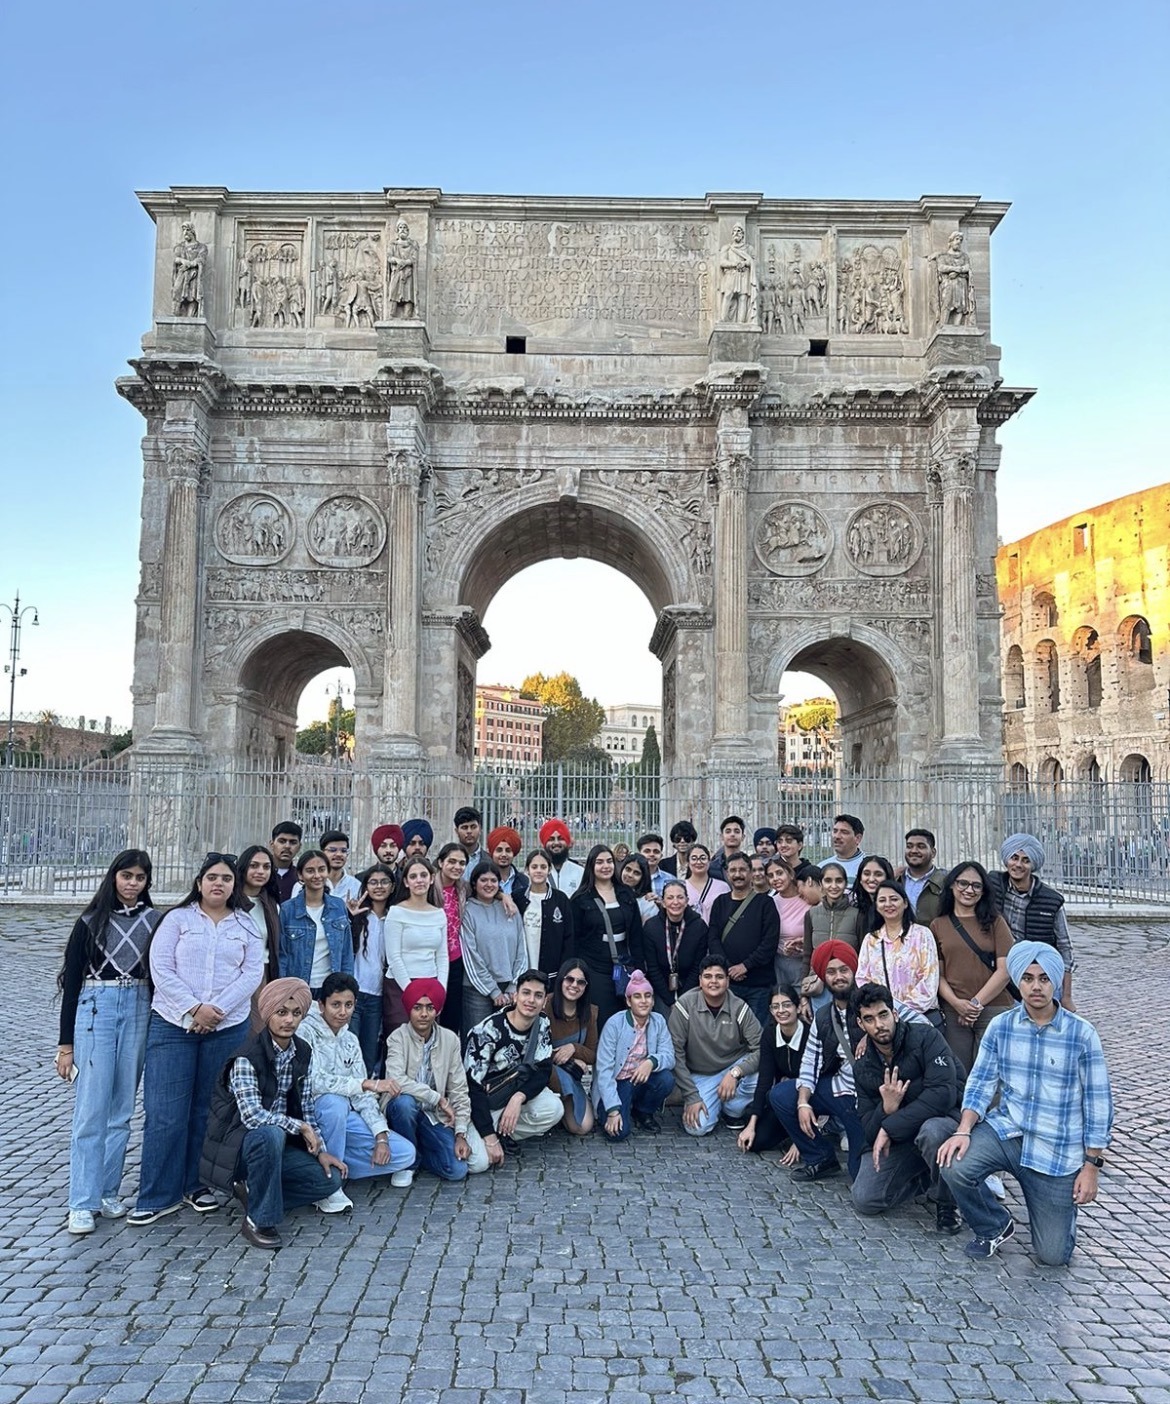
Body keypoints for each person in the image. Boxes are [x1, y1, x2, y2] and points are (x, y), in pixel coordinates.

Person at [938, 942, 1113, 1264]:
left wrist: (1091, 1166)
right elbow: (980, 1082)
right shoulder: (1001, 1026)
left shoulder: (1082, 1034)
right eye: (1028, 978)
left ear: (1055, 982)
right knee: (954, 1163)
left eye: (1044, 979)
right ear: (1018, 982)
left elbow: (1098, 1102)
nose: (1036, 987)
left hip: (1055, 1150)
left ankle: (1059, 1212)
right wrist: (963, 1130)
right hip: (1008, 1132)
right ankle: (993, 1225)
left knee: (1053, 1256)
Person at [129, 853, 264, 1225]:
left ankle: (196, 1184)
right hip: (174, 1024)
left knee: (208, 1110)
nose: (219, 883)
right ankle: (157, 1194)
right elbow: (160, 967)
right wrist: (193, 1008)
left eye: (226, 878)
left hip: (226, 1026)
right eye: (212, 877)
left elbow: (251, 973)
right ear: (199, 882)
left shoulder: (246, 925)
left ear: (235, 886)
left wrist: (215, 1010)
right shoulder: (177, 919)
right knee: (165, 1113)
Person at [198, 978, 347, 1250]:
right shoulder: (246, 1057)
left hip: (277, 1148)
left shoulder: (302, 1051)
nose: (289, 1020)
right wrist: (299, 1127)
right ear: (268, 1013)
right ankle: (258, 1220)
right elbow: (252, 1117)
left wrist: (321, 1151)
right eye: (281, 1012)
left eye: (296, 1013)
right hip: (239, 1149)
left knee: (329, 1181)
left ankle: (255, 1193)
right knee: (271, 1133)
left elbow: (306, 1108)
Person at [56, 850, 161, 1235]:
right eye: (126, 876)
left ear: (147, 882)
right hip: (96, 1007)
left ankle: (107, 1191)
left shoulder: (154, 921)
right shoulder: (90, 921)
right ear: (114, 876)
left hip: (138, 1006)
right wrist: (65, 1044)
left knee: (122, 1109)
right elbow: (71, 985)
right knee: (91, 1109)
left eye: (139, 878)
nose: (132, 883)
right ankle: (81, 1201)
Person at [850, 982, 964, 1234]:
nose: (879, 1025)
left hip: (943, 1122)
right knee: (865, 1199)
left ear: (895, 1013)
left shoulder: (926, 1037)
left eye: (883, 1015)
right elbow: (868, 1129)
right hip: (903, 1139)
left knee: (932, 1132)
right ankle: (929, 1176)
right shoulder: (863, 1067)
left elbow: (944, 1094)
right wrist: (886, 1109)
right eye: (869, 1019)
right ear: (861, 1024)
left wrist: (889, 1126)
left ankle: (948, 1202)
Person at [300, 973, 415, 1188]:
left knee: (405, 1153)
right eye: (336, 1004)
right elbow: (312, 1081)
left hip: (344, 1118)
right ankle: (329, 1185)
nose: (343, 1012)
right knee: (334, 1102)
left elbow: (364, 1096)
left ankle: (334, 1167)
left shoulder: (350, 1040)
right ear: (322, 1005)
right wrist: (364, 1084)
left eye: (349, 1005)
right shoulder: (305, 1031)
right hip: (313, 1115)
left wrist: (381, 1136)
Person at [771, 941, 868, 1183]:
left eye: (844, 970)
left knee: (861, 1179)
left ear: (854, 970)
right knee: (782, 1095)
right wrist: (803, 1102)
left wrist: (872, 1032)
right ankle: (820, 1158)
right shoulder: (823, 1015)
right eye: (831, 972)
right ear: (824, 977)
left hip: (869, 1099)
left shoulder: (874, 1004)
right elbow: (810, 1061)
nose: (838, 977)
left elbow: (915, 1025)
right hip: (839, 1090)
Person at [383, 979, 490, 1179]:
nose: (424, 1014)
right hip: (403, 1112)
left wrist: (460, 1133)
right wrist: (437, 1098)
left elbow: (459, 1089)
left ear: (437, 1010)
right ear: (409, 1010)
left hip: (434, 1116)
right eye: (417, 1008)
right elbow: (395, 1081)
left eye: (430, 1008)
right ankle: (408, 1164)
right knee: (404, 1103)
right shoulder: (397, 1037)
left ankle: (418, 1151)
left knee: (457, 1170)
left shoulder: (450, 1040)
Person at [464, 969, 564, 1162]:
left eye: (538, 995)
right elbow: (472, 1088)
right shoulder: (486, 1032)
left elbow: (543, 1070)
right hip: (484, 1103)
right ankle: (491, 1134)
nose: (531, 1000)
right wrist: (489, 1137)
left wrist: (518, 1098)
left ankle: (505, 1131)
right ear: (515, 996)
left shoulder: (542, 1023)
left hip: (513, 1093)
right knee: (478, 1163)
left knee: (554, 1109)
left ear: (544, 1002)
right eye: (526, 993)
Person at [931, 861, 1014, 1069]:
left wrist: (975, 1004)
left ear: (983, 891)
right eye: (963, 883)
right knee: (959, 1071)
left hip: (993, 1006)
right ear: (952, 885)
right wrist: (957, 1004)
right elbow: (938, 975)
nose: (969, 890)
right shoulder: (938, 925)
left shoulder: (996, 922)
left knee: (990, 1072)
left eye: (976, 885)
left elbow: (1005, 971)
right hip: (954, 1010)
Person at [668, 956, 761, 1137]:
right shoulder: (684, 1006)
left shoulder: (739, 1007)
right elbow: (675, 1053)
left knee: (761, 1075)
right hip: (701, 1074)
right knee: (697, 1128)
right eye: (708, 976)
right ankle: (713, 1100)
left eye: (719, 977)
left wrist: (736, 1072)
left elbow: (761, 1048)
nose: (713, 981)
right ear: (700, 980)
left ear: (728, 981)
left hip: (734, 1067)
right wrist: (692, 1096)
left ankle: (732, 1109)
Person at [987, 834, 1076, 1009]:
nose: (1018, 865)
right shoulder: (991, 887)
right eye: (1014, 858)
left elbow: (1065, 948)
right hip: (1002, 974)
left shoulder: (1051, 901)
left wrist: (1067, 996)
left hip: (1039, 974)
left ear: (1034, 864)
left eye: (1026, 860)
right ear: (1006, 860)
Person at [569, 844, 645, 1028]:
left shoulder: (626, 893)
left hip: (624, 965)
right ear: (591, 866)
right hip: (594, 966)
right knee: (601, 1018)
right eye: (600, 862)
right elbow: (573, 939)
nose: (605, 866)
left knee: (627, 1018)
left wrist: (640, 969)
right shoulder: (581, 899)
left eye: (609, 861)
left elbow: (636, 935)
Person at [594, 970, 675, 1139]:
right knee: (618, 1134)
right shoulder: (614, 1024)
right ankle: (614, 1108)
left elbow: (669, 1056)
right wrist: (613, 1111)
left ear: (653, 1000)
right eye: (637, 996)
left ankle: (642, 1111)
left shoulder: (658, 1021)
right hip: (618, 1083)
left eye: (648, 996)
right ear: (628, 1001)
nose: (644, 1001)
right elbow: (604, 1070)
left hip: (641, 1079)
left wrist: (651, 1062)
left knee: (666, 1079)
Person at [736, 984, 807, 1163]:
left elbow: (816, 1081)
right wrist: (751, 1125)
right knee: (755, 1140)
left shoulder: (810, 1034)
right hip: (784, 1099)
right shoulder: (769, 1034)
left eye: (787, 1005)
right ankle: (787, 1129)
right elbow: (765, 1080)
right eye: (776, 1006)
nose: (781, 1011)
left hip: (810, 1099)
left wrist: (801, 1141)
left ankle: (806, 1133)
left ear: (798, 1007)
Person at [708, 853, 779, 1028]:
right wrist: (728, 967)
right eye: (733, 870)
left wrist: (745, 966)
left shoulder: (766, 903)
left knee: (757, 1034)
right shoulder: (720, 903)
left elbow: (769, 942)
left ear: (751, 872)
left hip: (759, 985)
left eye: (742, 869)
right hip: (729, 983)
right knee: (728, 1033)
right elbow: (713, 938)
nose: (738, 874)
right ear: (727, 873)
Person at [856, 880, 941, 1021]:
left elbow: (929, 979)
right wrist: (883, 1010)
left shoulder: (922, 934)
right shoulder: (871, 940)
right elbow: (862, 979)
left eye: (894, 899)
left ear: (905, 903)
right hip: (882, 1020)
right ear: (876, 906)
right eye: (882, 900)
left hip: (920, 1017)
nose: (888, 904)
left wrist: (900, 1011)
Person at [460, 862, 527, 1038]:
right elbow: (470, 955)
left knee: (504, 1041)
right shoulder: (468, 911)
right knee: (477, 1040)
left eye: (493, 880)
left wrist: (514, 985)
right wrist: (493, 990)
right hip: (477, 990)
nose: (489, 884)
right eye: (483, 880)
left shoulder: (510, 907)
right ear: (474, 883)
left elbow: (522, 949)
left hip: (509, 987)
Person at [384, 857, 447, 1037]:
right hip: (400, 986)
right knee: (400, 1041)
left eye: (423, 875)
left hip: (431, 985)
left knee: (428, 1042)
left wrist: (440, 991)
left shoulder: (439, 914)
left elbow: (442, 956)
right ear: (406, 882)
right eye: (413, 876)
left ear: (432, 878)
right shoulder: (396, 912)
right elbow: (394, 957)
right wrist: (413, 993)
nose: (419, 880)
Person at [278, 850, 353, 994]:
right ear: (300, 875)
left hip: (332, 987)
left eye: (321, 869)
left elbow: (346, 953)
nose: (317, 875)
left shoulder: (338, 906)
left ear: (328, 872)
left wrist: (347, 987)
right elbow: (282, 955)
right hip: (298, 987)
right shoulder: (288, 910)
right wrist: (285, 991)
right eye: (310, 871)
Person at [346, 863, 395, 1073]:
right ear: (365, 886)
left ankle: (366, 1089)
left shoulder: (395, 917)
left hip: (378, 996)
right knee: (349, 1049)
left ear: (393, 886)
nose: (379, 887)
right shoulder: (358, 915)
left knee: (369, 1051)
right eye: (373, 882)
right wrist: (350, 917)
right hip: (354, 993)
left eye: (384, 882)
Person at [544, 960, 599, 1135]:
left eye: (580, 982)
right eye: (569, 979)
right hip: (545, 1068)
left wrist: (574, 1049)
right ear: (561, 979)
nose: (574, 985)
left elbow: (592, 1054)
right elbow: (535, 1049)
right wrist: (569, 1059)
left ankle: (563, 1109)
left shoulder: (590, 1012)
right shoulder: (545, 1005)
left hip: (569, 1072)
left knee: (582, 1127)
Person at [642, 878, 711, 1010]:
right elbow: (652, 967)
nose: (675, 902)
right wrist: (669, 1001)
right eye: (670, 898)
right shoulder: (651, 927)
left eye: (680, 897)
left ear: (687, 901)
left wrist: (683, 998)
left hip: (691, 987)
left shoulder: (699, 926)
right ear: (663, 902)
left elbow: (698, 966)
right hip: (661, 988)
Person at [517, 847, 574, 978]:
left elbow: (569, 937)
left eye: (543, 867)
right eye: (534, 867)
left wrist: (563, 972)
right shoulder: (518, 897)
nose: (538, 870)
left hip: (551, 974)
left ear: (549, 870)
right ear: (527, 870)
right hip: (523, 972)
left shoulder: (560, 899)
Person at [432, 842, 469, 1037]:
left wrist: (503, 897)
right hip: (431, 960)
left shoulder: (463, 888)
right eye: (452, 861)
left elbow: (487, 889)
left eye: (462, 863)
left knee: (451, 1017)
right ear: (440, 862)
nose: (457, 867)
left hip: (455, 960)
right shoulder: (429, 887)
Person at [235, 846, 281, 996]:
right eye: (254, 866)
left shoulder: (272, 905)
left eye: (266, 867)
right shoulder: (230, 903)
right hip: (235, 975)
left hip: (264, 974)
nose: (261, 871)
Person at [767, 857, 810, 990]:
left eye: (779, 873)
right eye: (770, 876)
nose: (775, 879)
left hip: (804, 963)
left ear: (790, 874)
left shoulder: (807, 899)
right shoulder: (770, 902)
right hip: (779, 964)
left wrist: (802, 943)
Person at [901, 829, 944, 924]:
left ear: (933, 852)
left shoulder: (946, 881)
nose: (914, 851)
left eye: (921, 846)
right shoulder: (896, 880)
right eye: (909, 846)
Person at [683, 842, 730, 924]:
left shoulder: (723, 887)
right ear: (688, 862)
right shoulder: (680, 886)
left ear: (709, 861)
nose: (698, 862)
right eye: (694, 858)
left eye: (703, 858)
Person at [850, 855, 896, 940]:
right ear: (860, 878)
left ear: (887, 878)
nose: (871, 879)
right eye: (866, 874)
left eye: (878, 874)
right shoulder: (854, 907)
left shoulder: (895, 908)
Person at [539, 820, 584, 896]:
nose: (556, 843)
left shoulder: (580, 872)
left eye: (561, 838)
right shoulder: (537, 872)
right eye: (551, 839)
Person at [318, 830, 361, 904]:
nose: (339, 854)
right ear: (322, 853)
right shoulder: (313, 881)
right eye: (333, 850)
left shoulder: (356, 885)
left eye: (343, 851)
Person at [487, 826, 528, 902]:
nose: (504, 854)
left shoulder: (523, 881)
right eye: (499, 850)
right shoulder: (483, 880)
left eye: (508, 850)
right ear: (492, 852)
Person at [619, 852, 660, 924]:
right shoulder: (610, 893)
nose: (630, 875)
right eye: (628, 869)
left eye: (636, 873)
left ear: (643, 878)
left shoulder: (647, 903)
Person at [270, 822, 303, 903]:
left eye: (293, 842)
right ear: (272, 844)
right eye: (282, 841)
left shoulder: (302, 877)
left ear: (299, 847)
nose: (287, 846)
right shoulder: (260, 874)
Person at [829, 814, 866, 883]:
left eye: (844, 832)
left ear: (858, 838)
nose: (837, 836)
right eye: (835, 831)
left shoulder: (868, 867)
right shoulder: (822, 866)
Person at [709, 815, 747, 882]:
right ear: (721, 837)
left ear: (743, 837)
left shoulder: (748, 864)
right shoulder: (712, 867)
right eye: (728, 831)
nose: (732, 834)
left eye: (737, 831)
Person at [454, 806, 486, 871]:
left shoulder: (491, 861)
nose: (469, 831)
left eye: (473, 827)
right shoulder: (445, 860)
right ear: (456, 831)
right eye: (464, 827)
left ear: (480, 829)